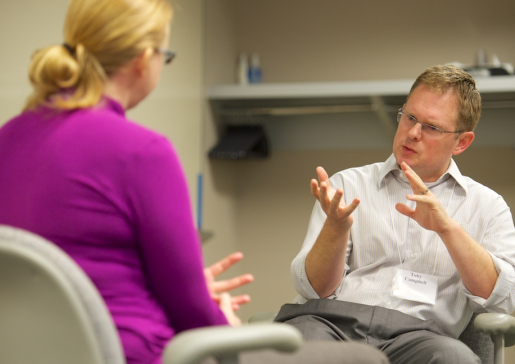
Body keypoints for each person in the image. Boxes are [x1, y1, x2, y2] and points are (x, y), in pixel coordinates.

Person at [0, 0, 389, 363]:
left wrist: (175, 286)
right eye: (164, 56)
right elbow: (193, 316)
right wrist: (226, 330)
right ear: (142, 59)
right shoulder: (142, 151)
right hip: (135, 352)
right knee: (361, 359)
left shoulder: (8, 138)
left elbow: (73, 266)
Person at [280, 64, 515, 364]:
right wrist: (335, 232)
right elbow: (311, 289)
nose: (413, 133)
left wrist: (448, 230)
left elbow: (503, 301)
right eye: (410, 117)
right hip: (331, 326)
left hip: (422, 339)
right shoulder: (346, 186)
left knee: (455, 359)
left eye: (431, 127)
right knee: (298, 347)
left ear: (461, 142)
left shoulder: (488, 206)